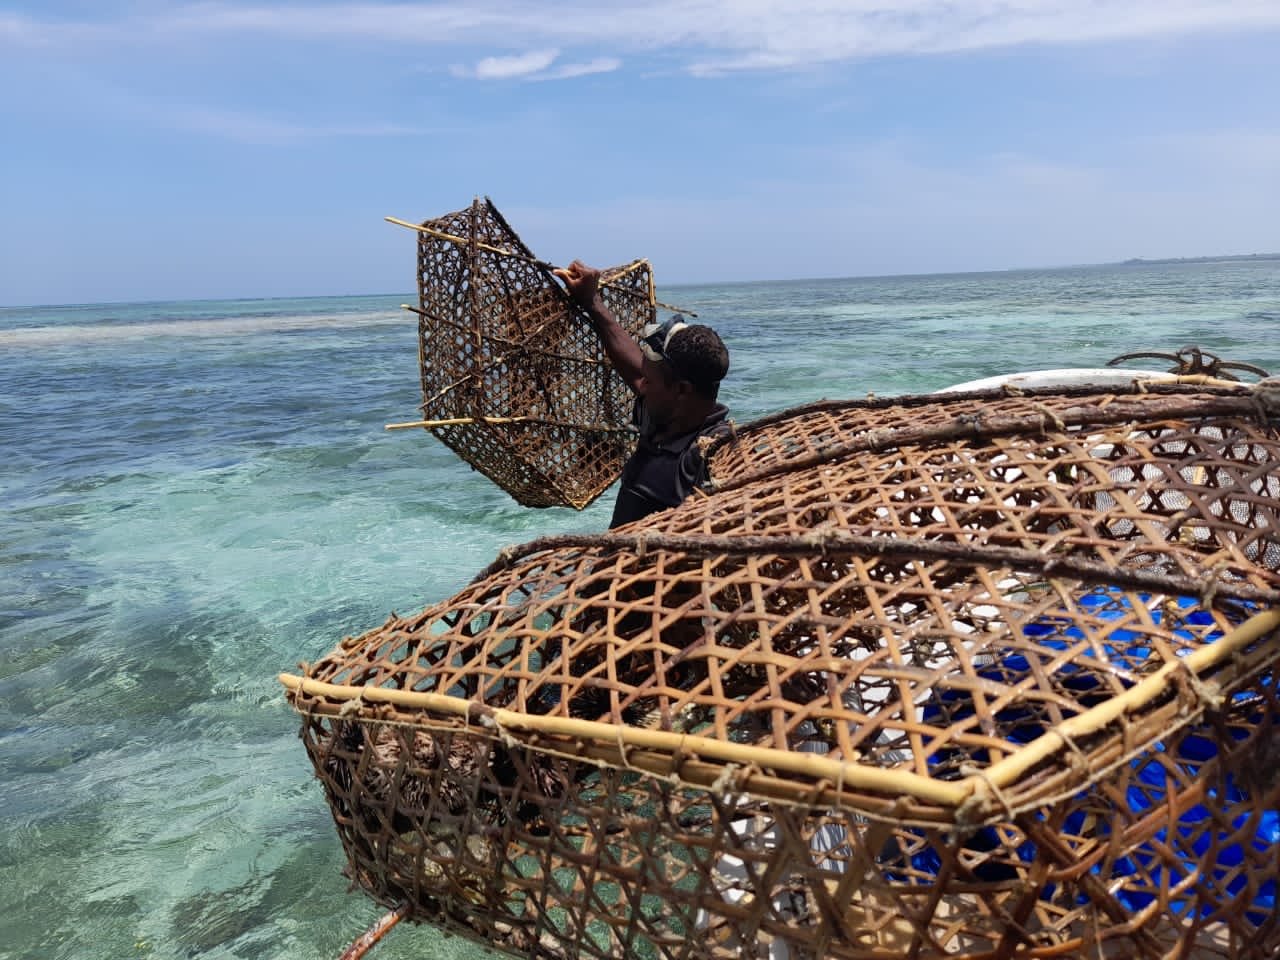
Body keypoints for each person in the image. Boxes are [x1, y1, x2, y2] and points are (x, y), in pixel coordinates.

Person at [555, 260, 731, 528]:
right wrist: (592, 302)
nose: (640, 386)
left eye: (649, 381)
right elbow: (635, 369)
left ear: (682, 390)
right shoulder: (663, 414)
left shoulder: (709, 455)